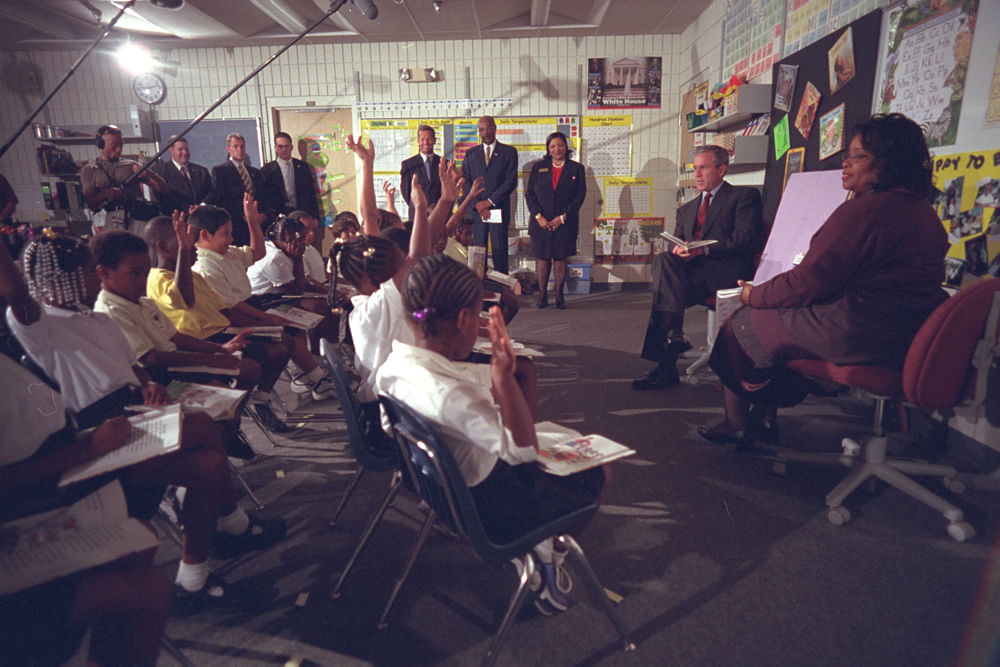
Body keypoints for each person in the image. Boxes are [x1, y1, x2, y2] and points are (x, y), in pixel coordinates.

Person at [3, 234, 287, 614]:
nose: (94, 282)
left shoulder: (98, 319)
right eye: (87, 274)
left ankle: (194, 576)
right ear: (58, 280)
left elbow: (133, 365)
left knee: (208, 465)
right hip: (97, 432)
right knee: (202, 426)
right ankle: (232, 524)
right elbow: (18, 294)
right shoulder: (42, 326)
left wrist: (148, 384)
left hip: (132, 412)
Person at [699, 113, 950, 446]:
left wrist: (752, 295)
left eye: (859, 156)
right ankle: (764, 418)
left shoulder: (864, 211)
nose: (845, 162)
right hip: (903, 333)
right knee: (774, 327)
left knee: (740, 325)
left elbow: (808, 282)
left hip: (856, 330)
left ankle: (736, 422)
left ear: (888, 163)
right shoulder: (924, 212)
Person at [375, 254, 604, 615]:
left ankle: (542, 552)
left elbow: (392, 425)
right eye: (480, 314)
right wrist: (502, 379)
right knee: (596, 472)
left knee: (556, 440)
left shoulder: (392, 367)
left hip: (441, 492)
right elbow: (522, 453)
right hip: (488, 507)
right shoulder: (454, 396)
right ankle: (545, 558)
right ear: (465, 320)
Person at [143, 213, 293, 433]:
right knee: (253, 366)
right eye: (184, 243)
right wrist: (185, 254)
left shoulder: (193, 276)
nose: (192, 247)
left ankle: (255, 402)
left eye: (191, 243)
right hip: (196, 342)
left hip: (221, 333)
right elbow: (183, 299)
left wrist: (261, 325)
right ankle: (229, 423)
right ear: (163, 247)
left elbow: (224, 311)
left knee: (284, 341)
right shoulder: (158, 279)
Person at [632, 144, 762, 390]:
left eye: (704, 168)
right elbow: (680, 240)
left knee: (664, 293)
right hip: (692, 274)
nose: (697, 175)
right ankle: (674, 338)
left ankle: (667, 364)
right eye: (695, 169)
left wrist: (704, 249)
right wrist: (680, 250)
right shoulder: (686, 209)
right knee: (664, 260)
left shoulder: (744, 197)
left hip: (726, 274)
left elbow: (746, 239)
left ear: (722, 170)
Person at [191, 199, 335, 405]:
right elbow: (230, 308)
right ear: (205, 235)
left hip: (251, 305)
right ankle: (269, 395)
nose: (231, 238)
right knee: (283, 340)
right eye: (226, 234)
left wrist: (252, 221)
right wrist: (265, 319)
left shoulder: (227, 252)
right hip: (230, 319)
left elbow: (257, 252)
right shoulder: (206, 266)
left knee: (292, 330)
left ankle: (305, 379)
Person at [525, 131, 587, 309]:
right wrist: (538, 217)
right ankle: (542, 296)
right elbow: (530, 194)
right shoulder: (538, 167)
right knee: (542, 259)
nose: (557, 149)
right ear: (548, 149)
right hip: (541, 222)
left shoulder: (576, 169)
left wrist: (563, 217)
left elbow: (579, 196)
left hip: (565, 222)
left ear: (566, 147)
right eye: (552, 146)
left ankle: (560, 297)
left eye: (560, 145)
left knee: (560, 259)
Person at [81, 125, 168, 233]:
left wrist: (149, 174)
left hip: (138, 217)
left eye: (121, 145)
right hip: (111, 219)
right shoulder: (90, 170)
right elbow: (91, 204)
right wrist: (104, 194)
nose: (119, 149)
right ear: (100, 144)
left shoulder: (132, 165)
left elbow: (163, 188)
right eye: (114, 145)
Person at [460, 116, 519, 274]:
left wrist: (489, 202)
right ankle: (479, 291)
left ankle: (502, 292)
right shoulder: (471, 154)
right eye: (482, 130)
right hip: (477, 212)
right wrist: (477, 205)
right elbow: (465, 182)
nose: (485, 132)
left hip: (497, 210)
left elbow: (510, 182)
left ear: (495, 128)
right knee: (478, 254)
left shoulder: (509, 152)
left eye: (488, 128)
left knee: (500, 253)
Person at [208, 133, 264, 246]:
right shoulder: (220, 171)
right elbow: (219, 198)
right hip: (237, 225)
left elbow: (262, 196)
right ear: (228, 148)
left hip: (257, 223)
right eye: (235, 146)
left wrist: (262, 215)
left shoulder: (255, 172)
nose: (239, 150)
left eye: (242, 146)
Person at [261, 131, 319, 221]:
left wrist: (315, 217)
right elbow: (264, 198)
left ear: (291, 147)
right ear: (275, 148)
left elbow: (311, 192)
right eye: (280, 146)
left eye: (286, 146)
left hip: (302, 215)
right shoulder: (267, 170)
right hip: (278, 217)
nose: (284, 149)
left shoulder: (303, 167)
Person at [152, 135, 212, 215]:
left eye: (186, 149)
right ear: (171, 150)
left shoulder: (201, 171)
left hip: (200, 219)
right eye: (180, 149)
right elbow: (163, 198)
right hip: (175, 219)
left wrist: (201, 206)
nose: (185, 152)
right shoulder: (160, 172)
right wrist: (187, 209)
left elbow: (211, 192)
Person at [400, 124, 442, 225]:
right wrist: (418, 205)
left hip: (439, 213)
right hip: (416, 215)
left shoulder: (443, 163)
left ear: (435, 141)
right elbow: (406, 192)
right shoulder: (408, 165)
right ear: (418, 141)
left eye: (429, 139)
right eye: (422, 139)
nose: (426, 143)